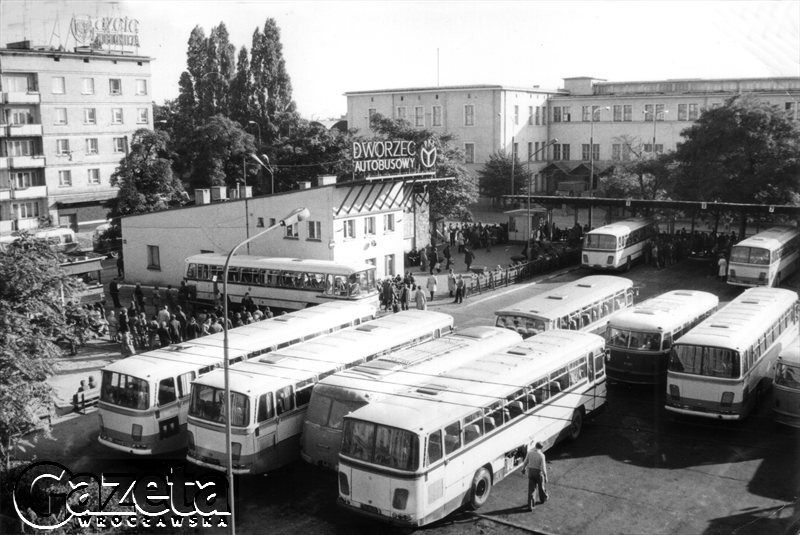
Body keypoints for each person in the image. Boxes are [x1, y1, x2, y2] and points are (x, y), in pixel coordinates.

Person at [521, 442, 548, 511]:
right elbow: (543, 467)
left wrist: (523, 469)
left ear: (535, 446)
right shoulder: (541, 455)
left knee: (531, 489)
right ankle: (543, 498)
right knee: (541, 487)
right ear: (541, 448)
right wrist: (545, 476)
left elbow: (525, 461)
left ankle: (531, 506)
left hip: (531, 472)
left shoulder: (530, 452)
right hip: (538, 473)